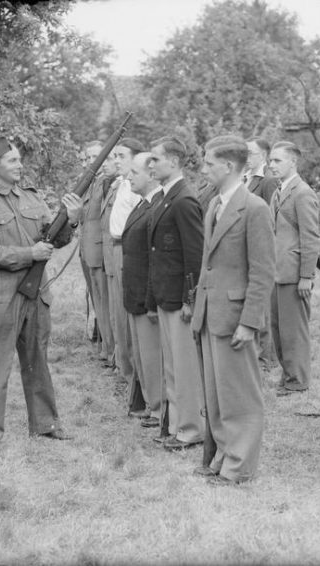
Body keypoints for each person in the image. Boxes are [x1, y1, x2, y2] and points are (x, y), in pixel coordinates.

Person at [0, 136, 82, 457]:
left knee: (37, 359)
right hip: (1, 296)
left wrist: (70, 218)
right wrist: (30, 253)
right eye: (12, 161)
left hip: (36, 293)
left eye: (19, 160)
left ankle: (45, 423)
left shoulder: (31, 198)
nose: (20, 165)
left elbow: (57, 237)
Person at [191, 134, 275, 484]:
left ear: (228, 166)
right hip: (211, 313)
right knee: (217, 393)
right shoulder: (215, 205)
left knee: (240, 395)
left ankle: (240, 466)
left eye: (209, 163)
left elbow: (263, 272)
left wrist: (249, 322)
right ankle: (223, 455)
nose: (204, 168)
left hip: (235, 317)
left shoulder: (254, 208)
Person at [147, 135, 205, 451]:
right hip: (165, 294)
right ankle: (176, 425)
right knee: (172, 367)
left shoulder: (184, 200)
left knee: (184, 368)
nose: (150, 164)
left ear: (174, 161)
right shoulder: (165, 197)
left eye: (155, 159)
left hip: (180, 298)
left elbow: (195, 256)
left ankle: (191, 429)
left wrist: (190, 299)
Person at [267, 141, 320, 395]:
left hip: (293, 273)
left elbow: (311, 238)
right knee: (278, 329)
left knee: (294, 330)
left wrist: (306, 276)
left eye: (277, 160)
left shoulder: (302, 192)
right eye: (271, 160)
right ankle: (288, 375)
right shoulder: (279, 191)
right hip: (277, 271)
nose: (271, 165)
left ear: (293, 162)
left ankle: (298, 380)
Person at [122, 152, 164, 428]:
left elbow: (157, 258)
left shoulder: (158, 206)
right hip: (134, 293)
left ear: (151, 174)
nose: (128, 177)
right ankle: (151, 404)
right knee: (143, 356)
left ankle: (159, 408)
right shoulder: (142, 204)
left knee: (154, 357)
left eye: (134, 172)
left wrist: (151, 300)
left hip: (147, 296)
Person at [104, 139, 145, 395]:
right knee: (118, 314)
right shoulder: (121, 184)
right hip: (115, 247)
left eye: (121, 156)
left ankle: (133, 376)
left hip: (127, 248)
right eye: (115, 156)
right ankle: (125, 369)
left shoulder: (135, 187)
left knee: (127, 314)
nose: (116, 160)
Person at [79, 140, 116, 366]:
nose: (92, 161)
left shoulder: (106, 183)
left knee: (106, 303)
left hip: (101, 253)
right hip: (88, 251)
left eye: (96, 156)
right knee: (98, 301)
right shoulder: (93, 183)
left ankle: (112, 354)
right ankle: (105, 348)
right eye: (88, 157)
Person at [246, 137, 281, 369]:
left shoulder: (267, 181)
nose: (247, 157)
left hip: (262, 247)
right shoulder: (246, 179)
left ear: (263, 157)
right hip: (247, 248)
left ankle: (266, 357)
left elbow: (271, 218)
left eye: (251, 153)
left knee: (264, 306)